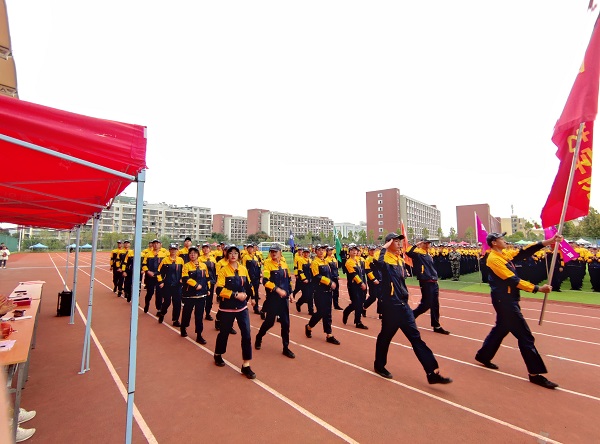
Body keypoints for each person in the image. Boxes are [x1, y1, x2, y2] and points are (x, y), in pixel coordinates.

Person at [475, 232, 562, 389]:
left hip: (508, 299)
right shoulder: (493, 259)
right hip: (505, 302)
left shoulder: (504, 255)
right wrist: (537, 288)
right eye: (501, 238)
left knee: (501, 329)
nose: (505, 240)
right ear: (494, 243)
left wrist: (549, 241)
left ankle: (483, 355)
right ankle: (535, 373)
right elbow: (512, 280)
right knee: (525, 336)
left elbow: (525, 251)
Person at [374, 233, 452, 384]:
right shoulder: (382, 256)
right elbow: (377, 261)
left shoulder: (398, 258)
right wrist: (385, 246)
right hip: (391, 306)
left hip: (403, 306)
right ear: (388, 243)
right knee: (385, 337)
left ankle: (432, 372)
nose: (399, 243)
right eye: (395, 241)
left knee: (416, 338)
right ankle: (379, 365)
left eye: (399, 241)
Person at [214, 244, 256, 379]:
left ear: (239, 255)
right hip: (227, 308)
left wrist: (253, 297)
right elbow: (219, 290)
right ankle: (218, 354)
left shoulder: (243, 269)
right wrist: (235, 295)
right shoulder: (223, 270)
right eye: (230, 253)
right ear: (227, 255)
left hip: (242, 308)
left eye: (235, 253)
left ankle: (246, 365)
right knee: (224, 333)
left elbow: (248, 285)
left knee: (247, 334)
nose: (233, 255)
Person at [255, 244, 296, 357]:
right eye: (271, 251)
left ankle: (286, 347)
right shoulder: (268, 264)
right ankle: (259, 336)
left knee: (286, 324)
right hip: (273, 299)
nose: (273, 253)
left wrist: (291, 293)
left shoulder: (284, 264)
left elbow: (288, 280)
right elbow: (265, 281)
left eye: (275, 251)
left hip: (284, 299)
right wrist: (277, 289)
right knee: (269, 322)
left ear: (280, 253)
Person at [406, 238, 450, 335]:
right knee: (426, 304)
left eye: (428, 243)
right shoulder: (418, 254)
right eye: (425, 243)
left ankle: (436, 325)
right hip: (426, 281)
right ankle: (409, 317)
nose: (427, 245)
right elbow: (407, 252)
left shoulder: (428, 255)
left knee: (435, 305)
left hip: (433, 281)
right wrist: (415, 245)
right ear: (421, 244)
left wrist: (435, 278)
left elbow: (431, 268)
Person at [305, 244, 341, 344]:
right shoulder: (315, 263)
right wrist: (329, 282)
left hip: (328, 291)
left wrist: (333, 281)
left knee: (328, 313)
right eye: (319, 250)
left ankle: (329, 334)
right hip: (319, 291)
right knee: (321, 312)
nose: (321, 252)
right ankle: (309, 326)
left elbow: (330, 274)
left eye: (323, 250)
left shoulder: (326, 261)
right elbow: (317, 276)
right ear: (316, 251)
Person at [180, 246, 210, 343]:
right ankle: (183, 327)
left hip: (201, 295)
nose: (193, 255)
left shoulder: (203, 265)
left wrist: (208, 289)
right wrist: (195, 285)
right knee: (187, 313)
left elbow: (207, 278)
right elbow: (185, 278)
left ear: (198, 254)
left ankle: (199, 335)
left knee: (199, 316)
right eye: (191, 253)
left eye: (195, 253)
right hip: (190, 294)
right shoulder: (186, 266)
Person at [157, 243, 184, 325]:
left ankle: (175, 320)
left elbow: (184, 271)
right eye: (172, 249)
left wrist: (182, 279)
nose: (173, 251)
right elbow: (159, 272)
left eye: (175, 249)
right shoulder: (165, 260)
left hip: (177, 285)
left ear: (177, 250)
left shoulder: (180, 260)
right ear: (169, 250)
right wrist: (161, 282)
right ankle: (162, 313)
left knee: (177, 303)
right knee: (167, 302)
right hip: (167, 285)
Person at [342, 243, 368, 329]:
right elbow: (354, 274)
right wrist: (361, 283)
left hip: (360, 284)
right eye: (352, 250)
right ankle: (356, 320)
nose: (354, 252)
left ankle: (356, 320)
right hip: (353, 286)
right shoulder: (349, 262)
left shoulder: (358, 261)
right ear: (349, 252)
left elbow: (361, 273)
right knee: (357, 303)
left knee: (360, 303)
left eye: (356, 250)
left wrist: (363, 282)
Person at [141, 239, 168, 314]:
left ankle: (159, 309)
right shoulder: (148, 254)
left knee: (159, 293)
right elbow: (144, 265)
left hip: (159, 277)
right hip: (150, 277)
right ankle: (147, 304)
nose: (156, 245)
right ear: (152, 245)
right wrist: (147, 271)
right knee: (150, 292)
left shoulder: (164, 255)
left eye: (157, 243)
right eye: (154, 243)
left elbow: (166, 266)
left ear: (160, 244)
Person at [242, 243, 262, 315]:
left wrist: (260, 274)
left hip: (256, 278)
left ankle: (256, 308)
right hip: (249, 278)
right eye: (249, 248)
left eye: (251, 248)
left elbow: (258, 267)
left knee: (256, 293)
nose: (250, 249)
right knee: (248, 293)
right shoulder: (245, 257)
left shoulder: (255, 257)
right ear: (247, 249)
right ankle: (243, 306)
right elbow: (243, 267)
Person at [199, 243, 217, 321]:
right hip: (202, 281)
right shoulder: (199, 259)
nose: (206, 249)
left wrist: (215, 279)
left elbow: (215, 270)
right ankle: (199, 313)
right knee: (202, 298)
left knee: (209, 299)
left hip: (211, 281)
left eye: (207, 248)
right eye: (204, 248)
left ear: (210, 249)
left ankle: (208, 313)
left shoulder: (213, 259)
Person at [295, 248, 314, 315]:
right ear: (303, 253)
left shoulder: (311, 260)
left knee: (311, 296)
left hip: (310, 280)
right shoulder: (300, 260)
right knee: (305, 295)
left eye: (307, 252)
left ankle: (311, 310)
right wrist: (304, 279)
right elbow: (300, 271)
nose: (306, 254)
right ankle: (298, 303)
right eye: (305, 252)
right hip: (303, 281)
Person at [325, 245, 342, 310]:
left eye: (331, 250)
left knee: (336, 292)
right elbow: (327, 270)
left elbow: (336, 268)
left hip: (335, 277)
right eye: (329, 251)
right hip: (330, 277)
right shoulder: (326, 260)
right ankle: (327, 305)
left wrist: (337, 275)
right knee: (329, 292)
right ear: (327, 252)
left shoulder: (334, 259)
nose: (331, 252)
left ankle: (336, 305)